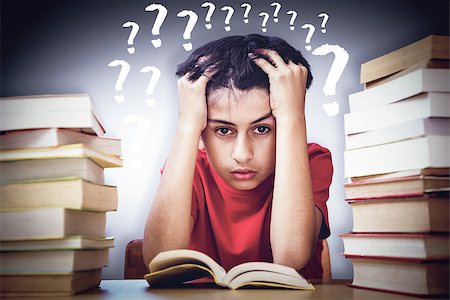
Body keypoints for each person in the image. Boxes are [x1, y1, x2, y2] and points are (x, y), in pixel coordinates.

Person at [143, 34, 333, 279]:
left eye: (262, 128)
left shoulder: (312, 160)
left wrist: (292, 115)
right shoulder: (189, 167)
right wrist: (187, 125)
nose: (242, 155)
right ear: (202, 133)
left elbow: (290, 257)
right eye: (223, 130)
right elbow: (159, 259)